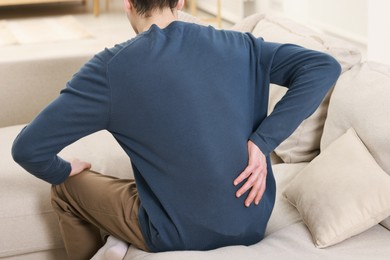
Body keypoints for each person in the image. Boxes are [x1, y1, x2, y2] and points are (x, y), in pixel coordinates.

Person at [12, 0, 341, 259]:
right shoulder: (241, 45)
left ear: (127, 3)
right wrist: (262, 142)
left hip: (177, 234)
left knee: (65, 189)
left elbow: (28, 149)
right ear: (181, 2)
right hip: (252, 221)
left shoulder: (110, 69)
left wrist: (66, 169)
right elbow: (323, 66)